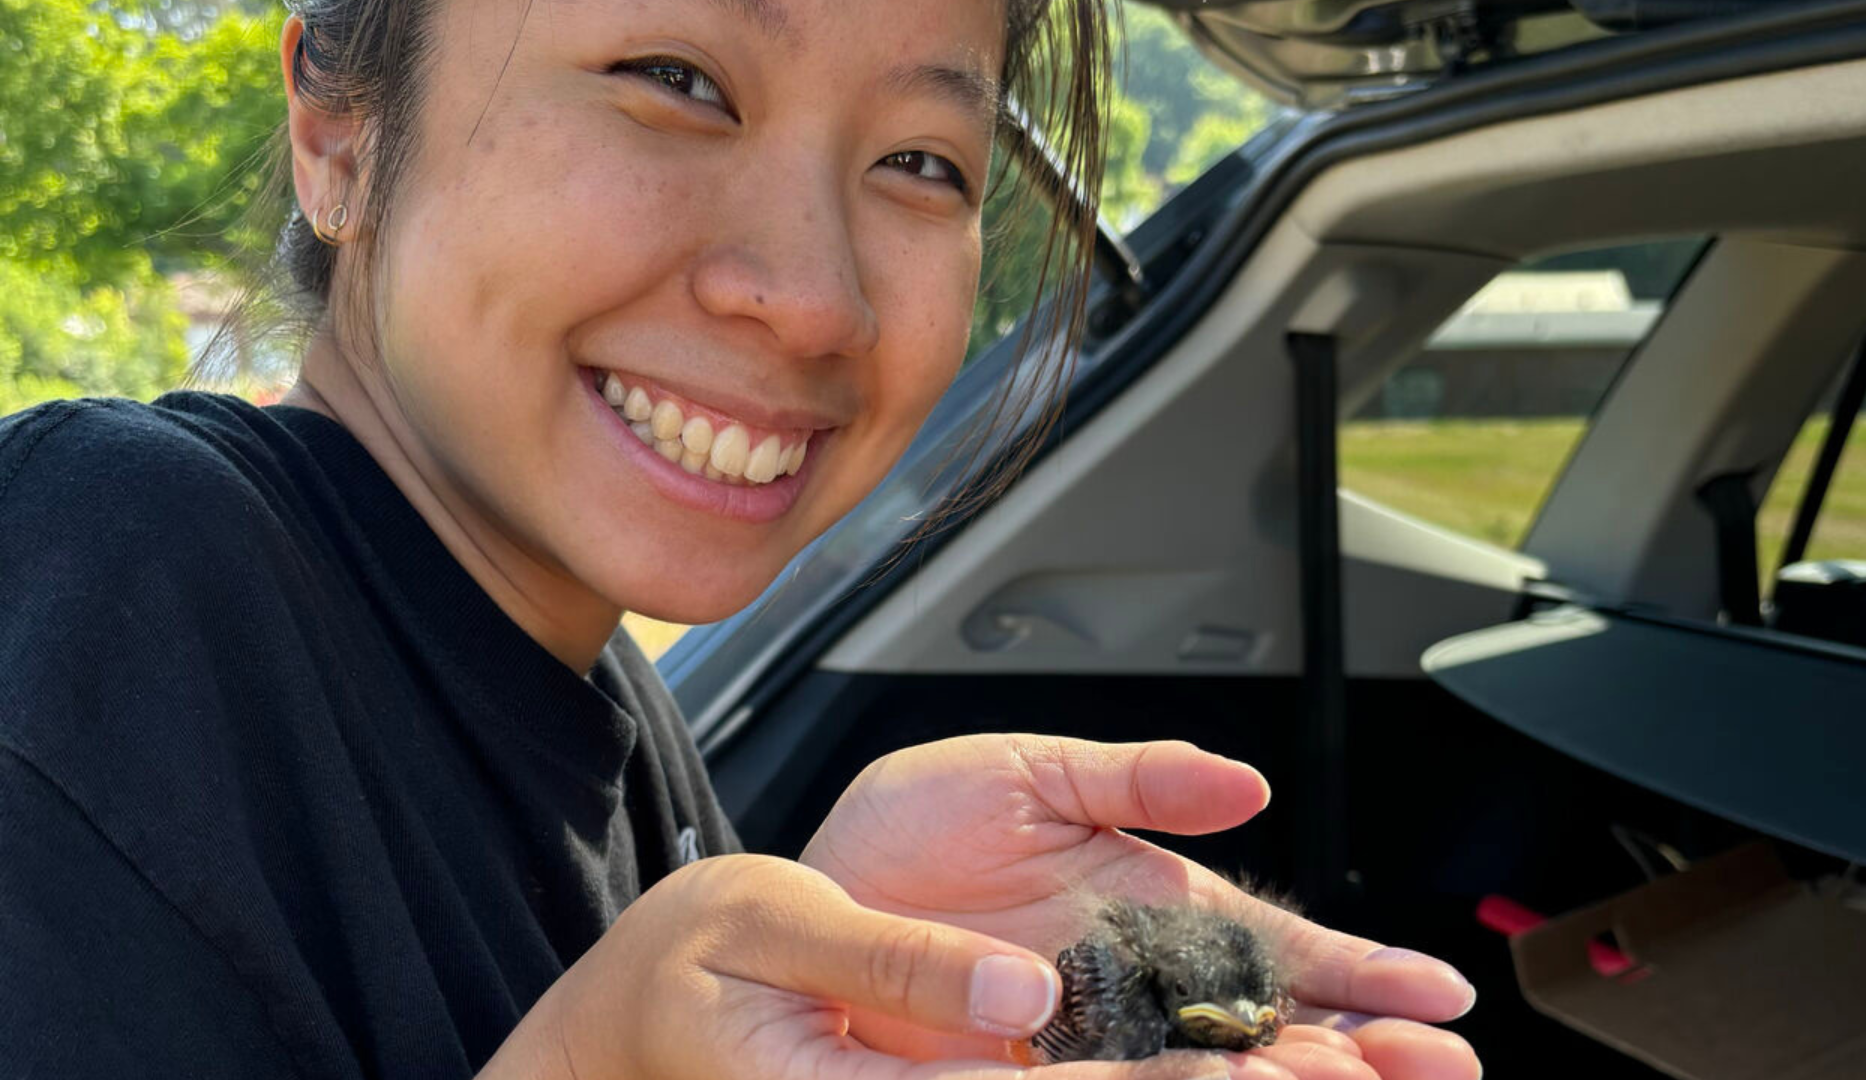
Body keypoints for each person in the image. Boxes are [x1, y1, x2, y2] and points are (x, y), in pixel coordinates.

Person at [0, 2, 1481, 1078]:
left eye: (921, 162)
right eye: (675, 80)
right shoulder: (103, 557)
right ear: (339, 135)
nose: (817, 297)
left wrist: (857, 968)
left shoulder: (617, 709)